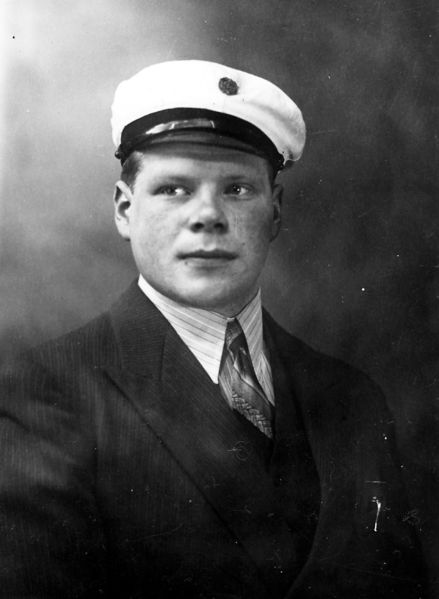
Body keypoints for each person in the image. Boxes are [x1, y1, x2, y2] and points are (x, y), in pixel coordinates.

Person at [0, 60, 427, 598]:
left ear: (275, 213)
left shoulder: (353, 399)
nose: (208, 216)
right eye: (174, 189)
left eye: (238, 189)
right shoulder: (40, 396)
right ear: (125, 210)